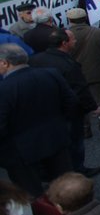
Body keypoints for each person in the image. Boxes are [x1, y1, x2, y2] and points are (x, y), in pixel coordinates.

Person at [0, 43, 77, 196]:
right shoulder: (50, 74)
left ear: (5, 63)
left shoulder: (4, 89)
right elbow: (71, 102)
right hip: (55, 139)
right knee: (66, 187)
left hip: (21, 152)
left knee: (32, 194)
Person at [29, 28, 100, 176]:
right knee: (75, 142)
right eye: (73, 39)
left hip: (44, 110)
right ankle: (77, 170)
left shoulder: (36, 60)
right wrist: (93, 107)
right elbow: (79, 89)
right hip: (69, 111)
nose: (75, 41)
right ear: (64, 43)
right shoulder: (68, 64)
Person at [66, 8, 100, 141]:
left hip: (75, 75)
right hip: (98, 72)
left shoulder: (65, 36)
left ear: (70, 20)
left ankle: (85, 130)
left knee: (80, 102)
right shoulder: (99, 32)